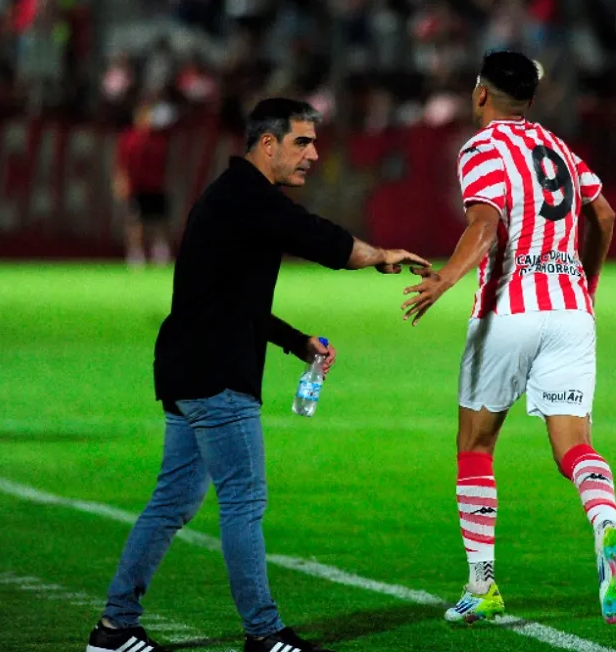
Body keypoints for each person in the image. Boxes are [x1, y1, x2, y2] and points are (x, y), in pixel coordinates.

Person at [87, 98, 429, 652]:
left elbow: (233, 300)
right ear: (267, 144)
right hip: (217, 376)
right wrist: (381, 254)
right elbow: (319, 239)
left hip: (187, 368)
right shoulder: (248, 197)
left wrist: (297, 342)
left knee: (172, 502)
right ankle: (264, 634)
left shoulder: (232, 199)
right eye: (302, 142)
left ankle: (114, 629)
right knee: (243, 501)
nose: (313, 154)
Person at [401, 51, 616, 624]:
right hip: (572, 310)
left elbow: (485, 224)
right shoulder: (557, 146)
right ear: (530, 99)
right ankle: (607, 526)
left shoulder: (481, 148)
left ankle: (481, 585)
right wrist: (589, 280)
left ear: (481, 94)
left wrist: (446, 278)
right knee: (573, 446)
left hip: (508, 309)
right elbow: (602, 215)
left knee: (475, 445)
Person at [112, 98, 176, 268]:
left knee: (159, 220)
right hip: (137, 186)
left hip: (155, 185)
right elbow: (122, 163)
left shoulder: (159, 139)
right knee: (136, 222)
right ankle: (136, 254)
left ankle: (160, 252)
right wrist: (121, 182)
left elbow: (165, 164)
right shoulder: (129, 138)